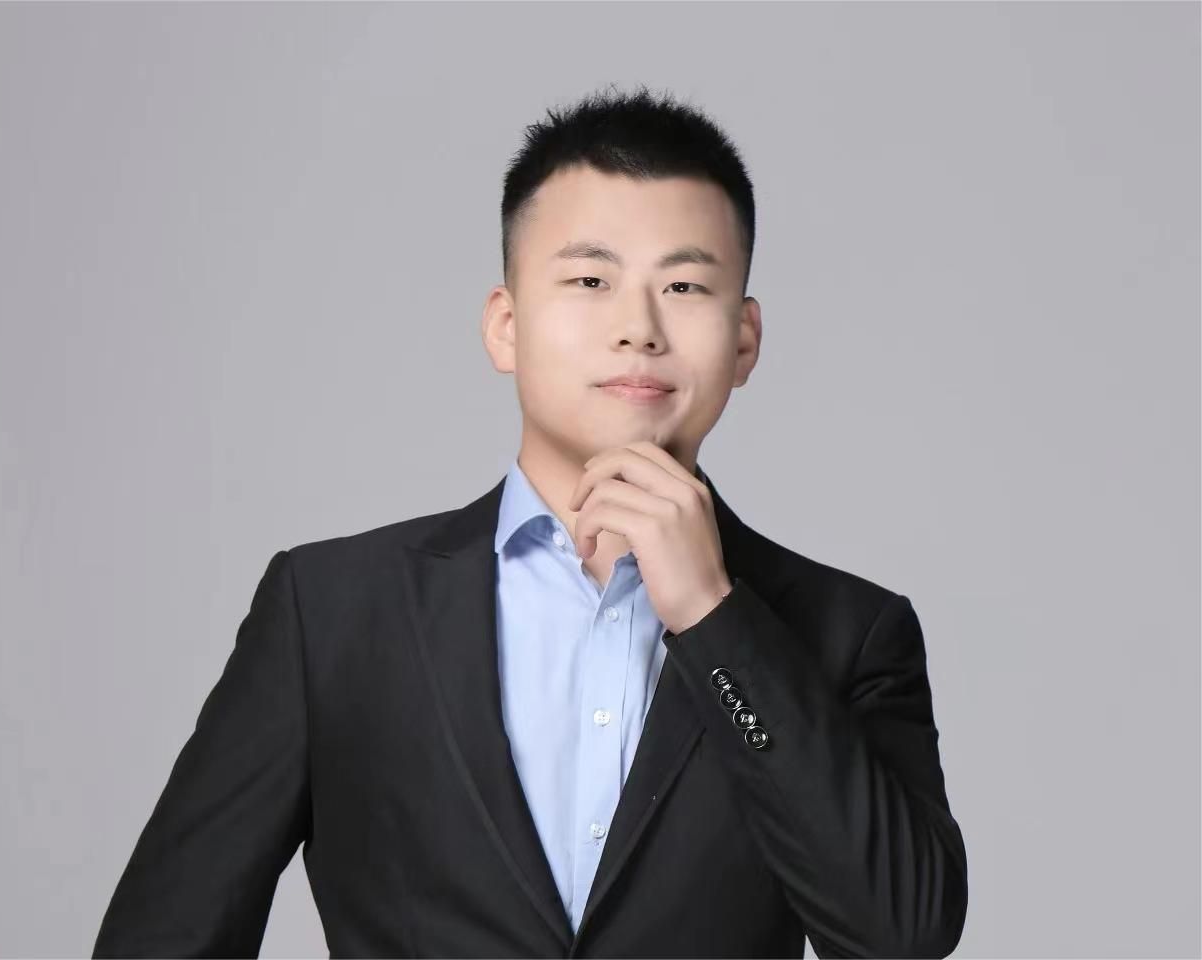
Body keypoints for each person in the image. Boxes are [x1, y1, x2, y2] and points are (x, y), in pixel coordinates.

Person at [93, 83, 968, 959]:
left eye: (684, 284)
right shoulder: (329, 612)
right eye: (590, 280)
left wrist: (714, 617)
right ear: (506, 327)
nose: (639, 328)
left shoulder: (850, 631)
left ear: (743, 342)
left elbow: (903, 937)